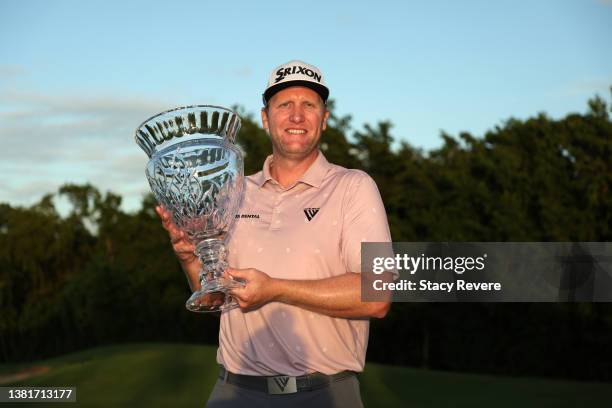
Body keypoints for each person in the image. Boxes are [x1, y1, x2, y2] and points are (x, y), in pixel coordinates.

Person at [156, 60, 393, 407]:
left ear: (324, 119)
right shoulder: (233, 191)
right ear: (266, 118)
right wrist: (190, 257)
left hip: (324, 394)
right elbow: (213, 298)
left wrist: (276, 289)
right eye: (285, 105)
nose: (297, 116)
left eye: (309, 105)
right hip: (233, 392)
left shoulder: (352, 187)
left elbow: (379, 294)